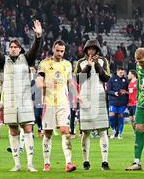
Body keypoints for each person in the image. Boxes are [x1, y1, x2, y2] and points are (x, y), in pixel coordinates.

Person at [0, 19, 42, 172]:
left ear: (20, 49)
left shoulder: (27, 59)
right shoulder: (3, 61)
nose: (12, 49)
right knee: (13, 130)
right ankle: (17, 164)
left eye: (15, 47)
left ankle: (30, 163)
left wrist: (38, 37)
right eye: (11, 47)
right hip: (10, 100)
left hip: (25, 100)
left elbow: (35, 49)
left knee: (28, 129)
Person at [36, 40, 78, 172]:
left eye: (62, 51)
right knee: (47, 133)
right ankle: (47, 163)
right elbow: (38, 83)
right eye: (58, 50)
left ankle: (68, 163)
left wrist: (77, 95)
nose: (60, 53)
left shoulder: (67, 65)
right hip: (48, 104)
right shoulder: (44, 64)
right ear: (53, 49)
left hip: (63, 103)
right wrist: (47, 84)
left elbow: (70, 82)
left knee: (65, 131)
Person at [74, 40, 111, 171]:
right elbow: (78, 80)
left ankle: (105, 161)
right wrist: (88, 66)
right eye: (89, 49)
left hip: (100, 96)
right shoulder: (80, 63)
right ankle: (86, 161)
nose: (91, 51)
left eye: (93, 49)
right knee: (86, 131)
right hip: (85, 98)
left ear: (97, 50)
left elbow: (106, 78)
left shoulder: (103, 61)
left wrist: (96, 65)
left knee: (102, 130)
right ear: (85, 50)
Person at [107, 66, 129, 139]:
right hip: (113, 101)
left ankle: (119, 133)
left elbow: (128, 91)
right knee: (112, 115)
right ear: (117, 71)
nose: (121, 73)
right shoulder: (111, 79)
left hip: (122, 101)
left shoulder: (126, 80)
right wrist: (114, 93)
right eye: (120, 72)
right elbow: (108, 90)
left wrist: (125, 92)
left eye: (122, 72)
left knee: (120, 116)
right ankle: (113, 130)